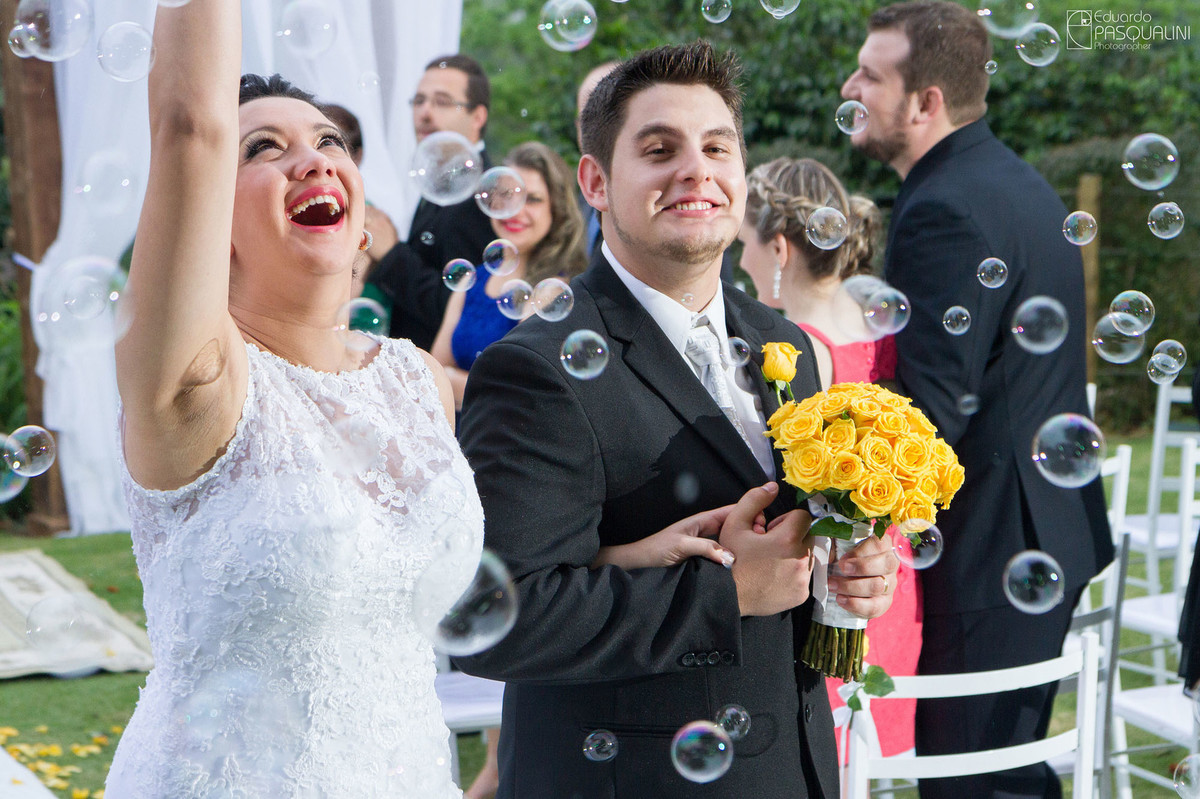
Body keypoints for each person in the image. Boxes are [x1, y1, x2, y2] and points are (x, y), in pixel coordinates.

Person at [456, 41, 900, 798]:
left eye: (716, 147)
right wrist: (725, 595)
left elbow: (790, 549)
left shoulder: (782, 341)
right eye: (659, 149)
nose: (695, 169)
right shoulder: (538, 367)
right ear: (595, 181)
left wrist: (849, 571)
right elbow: (493, 617)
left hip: (790, 767)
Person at [106, 2, 481, 796]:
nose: (311, 161)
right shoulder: (196, 381)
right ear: (211, 211)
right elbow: (187, 125)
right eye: (264, 148)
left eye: (329, 142)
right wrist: (201, 136)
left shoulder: (414, 381)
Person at [841, 3, 1113, 797]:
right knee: (1004, 771)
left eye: (870, 74)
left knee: (974, 780)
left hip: (991, 548)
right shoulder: (1013, 180)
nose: (849, 85)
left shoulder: (943, 209)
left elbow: (931, 410)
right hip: (1037, 529)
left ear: (925, 103)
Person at [740, 156, 917, 762]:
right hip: (887, 570)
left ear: (781, 251)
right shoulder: (877, 325)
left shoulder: (794, 348)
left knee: (828, 755)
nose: (740, 262)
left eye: (746, 246)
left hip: (837, 589)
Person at [431, 141, 588, 408]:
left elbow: (512, 391)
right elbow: (432, 374)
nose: (515, 209)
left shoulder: (553, 290)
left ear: (556, 209)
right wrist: (452, 380)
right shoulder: (473, 280)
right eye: (506, 194)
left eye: (534, 199)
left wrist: (451, 380)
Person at [368, 54, 496, 349]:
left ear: (478, 117)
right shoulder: (444, 180)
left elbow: (461, 307)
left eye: (442, 102)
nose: (424, 113)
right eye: (419, 101)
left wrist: (391, 253)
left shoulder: (484, 194)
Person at [320, 103, 400, 298]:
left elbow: (342, 297)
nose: (322, 161)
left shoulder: (370, 221)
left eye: (334, 146)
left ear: (358, 156)